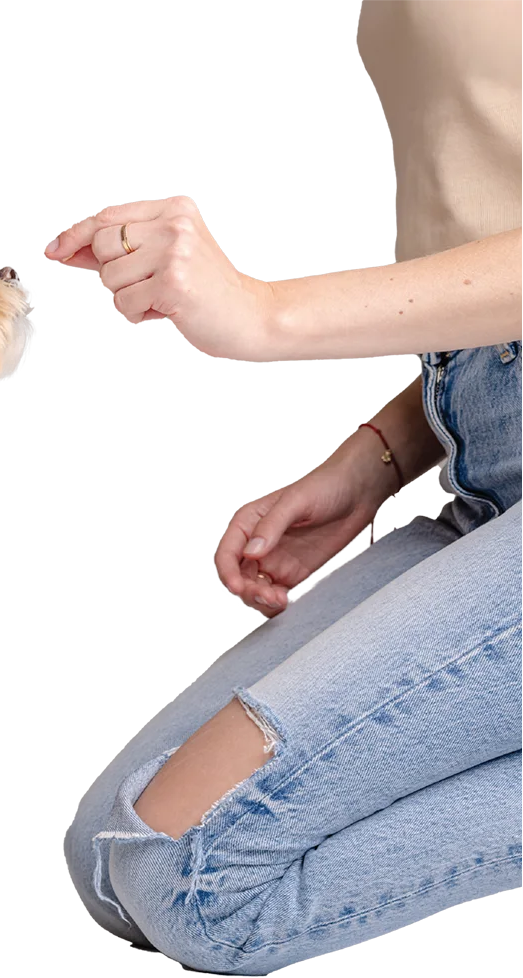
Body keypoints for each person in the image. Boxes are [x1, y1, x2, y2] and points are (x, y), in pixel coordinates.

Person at [56, 2, 523, 974]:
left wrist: (267, 314)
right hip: (488, 455)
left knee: (192, 871)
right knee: (111, 850)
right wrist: (387, 452)